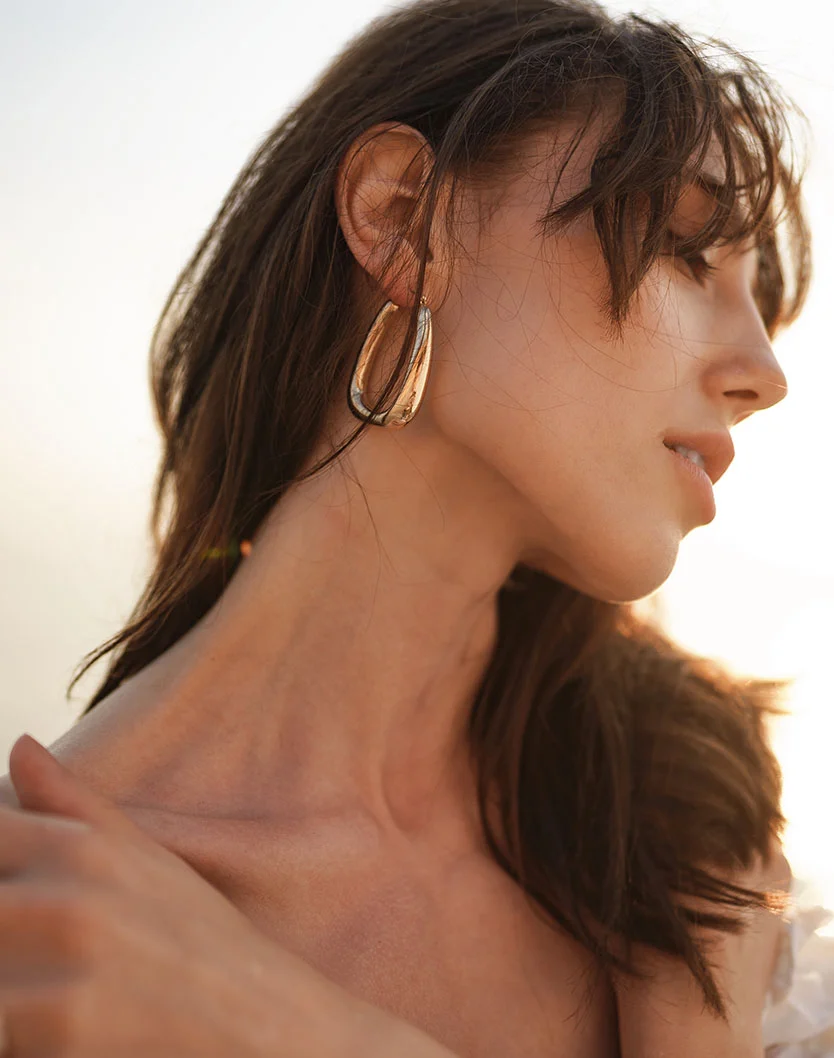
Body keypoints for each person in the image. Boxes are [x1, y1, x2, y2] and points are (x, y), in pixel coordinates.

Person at [2, 0, 831, 1054]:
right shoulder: (47, 940)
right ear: (404, 220)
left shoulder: (685, 830)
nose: (764, 372)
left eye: (759, 298)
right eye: (682, 246)